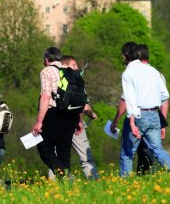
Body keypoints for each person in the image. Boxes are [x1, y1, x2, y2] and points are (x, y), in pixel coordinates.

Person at [111, 43, 168, 173]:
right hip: (154, 114)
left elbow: (129, 99)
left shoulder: (128, 73)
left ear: (124, 56)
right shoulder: (153, 71)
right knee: (158, 150)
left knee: (127, 153)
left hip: (138, 115)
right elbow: (165, 95)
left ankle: (124, 184)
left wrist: (132, 123)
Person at [31, 46, 81, 176]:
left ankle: (63, 174)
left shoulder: (47, 71)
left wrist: (39, 121)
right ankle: (66, 183)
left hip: (56, 112)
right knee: (64, 149)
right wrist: (79, 120)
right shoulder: (70, 70)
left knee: (44, 146)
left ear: (47, 60)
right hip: (73, 114)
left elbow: (46, 96)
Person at [47, 56, 98, 180]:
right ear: (66, 65)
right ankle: (95, 181)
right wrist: (92, 115)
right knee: (86, 158)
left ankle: (54, 186)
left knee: (55, 157)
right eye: (74, 65)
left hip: (56, 122)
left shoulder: (53, 79)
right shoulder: (75, 80)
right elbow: (84, 106)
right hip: (75, 124)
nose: (77, 68)